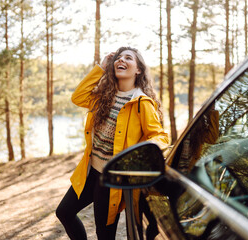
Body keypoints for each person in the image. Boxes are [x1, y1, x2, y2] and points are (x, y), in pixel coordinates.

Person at [56, 46, 169, 240]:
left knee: (104, 234)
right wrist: (100, 68)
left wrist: (139, 155)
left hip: (112, 179)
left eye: (128, 58)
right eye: (118, 58)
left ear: (138, 70)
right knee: (64, 212)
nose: (121, 60)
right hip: (90, 171)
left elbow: (160, 137)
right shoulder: (104, 97)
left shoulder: (141, 102)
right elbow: (78, 97)